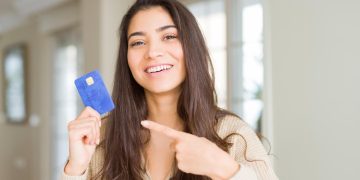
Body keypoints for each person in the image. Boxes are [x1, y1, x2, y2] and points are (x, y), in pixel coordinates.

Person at [62, 0, 278, 179]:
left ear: (191, 47)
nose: (153, 52)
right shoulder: (101, 137)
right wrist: (76, 168)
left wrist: (224, 169)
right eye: (138, 42)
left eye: (169, 36)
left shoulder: (232, 134)